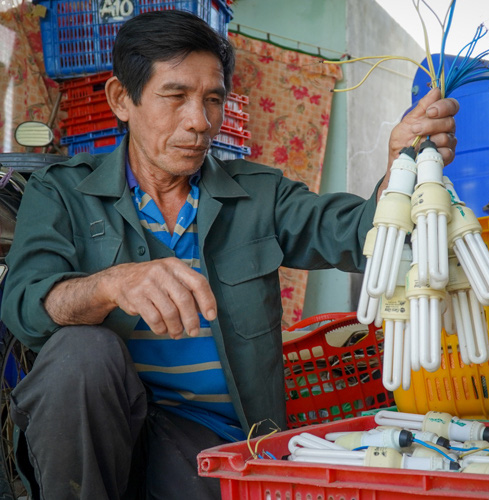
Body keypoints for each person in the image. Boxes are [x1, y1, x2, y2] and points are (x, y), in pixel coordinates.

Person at [0, 9, 458, 500]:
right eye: (175, 96)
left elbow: (358, 234)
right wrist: (111, 284)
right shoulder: (64, 192)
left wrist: (399, 173)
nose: (199, 122)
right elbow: (25, 306)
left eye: (212, 99)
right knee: (82, 352)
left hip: (211, 440)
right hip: (93, 440)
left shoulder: (259, 195)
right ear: (122, 99)